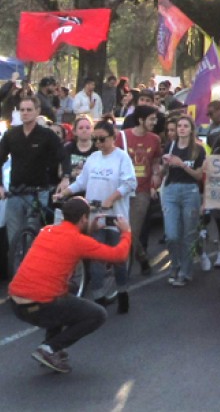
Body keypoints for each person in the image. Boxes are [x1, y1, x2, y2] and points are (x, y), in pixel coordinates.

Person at [8, 197, 131, 373]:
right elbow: (119, 256)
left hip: (16, 303)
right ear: (83, 219)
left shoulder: (46, 230)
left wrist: (89, 231)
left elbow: (68, 242)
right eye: (87, 218)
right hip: (40, 304)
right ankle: (49, 348)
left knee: (69, 289)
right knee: (98, 314)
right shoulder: (78, 241)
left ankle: (51, 348)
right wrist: (126, 232)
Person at [56, 120, 137, 310]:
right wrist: (64, 193)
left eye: (102, 139)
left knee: (118, 259)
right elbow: (81, 182)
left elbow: (129, 183)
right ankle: (99, 300)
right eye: (95, 139)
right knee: (97, 261)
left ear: (113, 138)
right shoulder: (93, 158)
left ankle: (123, 294)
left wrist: (111, 198)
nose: (98, 143)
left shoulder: (122, 158)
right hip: (95, 217)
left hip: (116, 217)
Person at [0, 97, 71, 276]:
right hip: (15, 193)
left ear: (37, 111)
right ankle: (17, 279)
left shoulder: (46, 135)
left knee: (32, 238)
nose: (25, 113)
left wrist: (66, 177)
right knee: (14, 240)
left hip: (39, 193)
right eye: (22, 110)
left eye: (29, 109)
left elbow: (63, 155)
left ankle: (33, 278)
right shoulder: (11, 135)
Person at [158, 116, 205, 286]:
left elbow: (199, 176)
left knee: (188, 234)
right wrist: (164, 165)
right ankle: (174, 265)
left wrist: (182, 165)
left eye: (186, 126)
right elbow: (162, 172)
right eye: (179, 126)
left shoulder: (198, 150)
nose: (182, 129)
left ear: (191, 129)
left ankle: (185, 271)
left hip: (190, 191)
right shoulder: (170, 146)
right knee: (171, 234)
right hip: (171, 190)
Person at [115, 105, 161, 275]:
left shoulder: (155, 139)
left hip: (142, 190)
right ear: (141, 120)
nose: (154, 122)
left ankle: (122, 269)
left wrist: (156, 176)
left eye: (155, 119)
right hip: (122, 190)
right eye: (151, 119)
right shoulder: (122, 137)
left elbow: (156, 162)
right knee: (123, 230)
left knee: (132, 230)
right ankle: (142, 257)